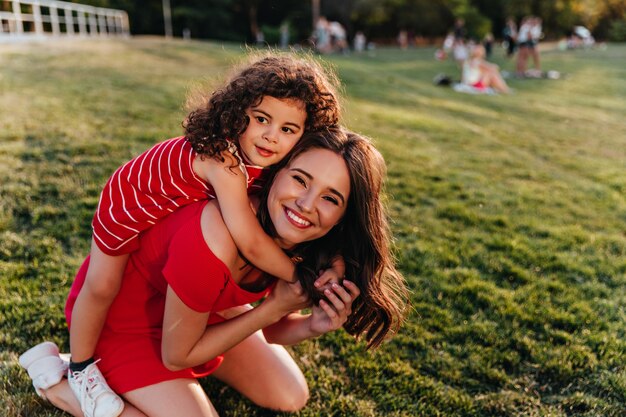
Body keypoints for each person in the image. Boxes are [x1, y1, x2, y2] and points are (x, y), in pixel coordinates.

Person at [20, 128, 410, 417]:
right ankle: (64, 384)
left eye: (330, 198)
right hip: (127, 320)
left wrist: (313, 324)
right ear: (278, 171)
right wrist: (270, 309)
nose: (307, 205)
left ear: (345, 215)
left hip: (200, 314)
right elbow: (178, 355)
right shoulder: (217, 231)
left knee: (290, 395)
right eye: (300, 179)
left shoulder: (309, 240)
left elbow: (274, 328)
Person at [64, 53, 342, 417]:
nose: (272, 137)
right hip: (127, 205)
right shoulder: (223, 159)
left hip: (166, 248)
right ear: (236, 109)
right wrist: (299, 277)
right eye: (261, 119)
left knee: (287, 392)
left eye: (288, 130)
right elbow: (249, 240)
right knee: (101, 285)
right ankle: (78, 369)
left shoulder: (263, 167)